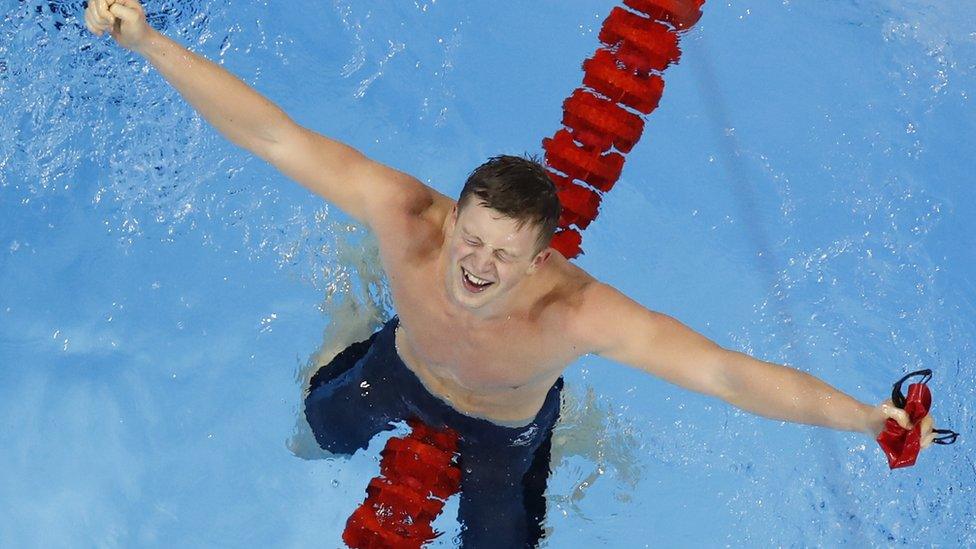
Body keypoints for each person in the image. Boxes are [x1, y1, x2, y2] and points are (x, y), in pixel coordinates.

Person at [85, 1, 944, 546]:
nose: (477, 265)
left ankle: (564, 421)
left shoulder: (573, 312)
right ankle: (348, 318)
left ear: (543, 260)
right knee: (315, 433)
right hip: (399, 368)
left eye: (504, 255)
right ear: (453, 215)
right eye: (473, 237)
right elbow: (274, 135)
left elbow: (723, 371)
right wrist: (151, 40)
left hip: (506, 432)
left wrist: (865, 419)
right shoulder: (408, 219)